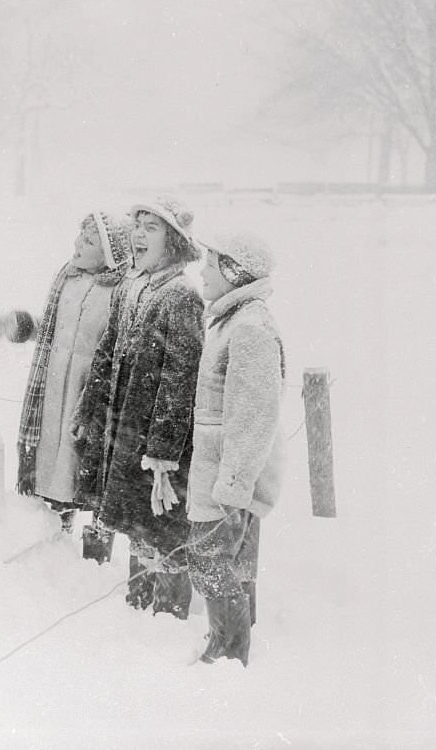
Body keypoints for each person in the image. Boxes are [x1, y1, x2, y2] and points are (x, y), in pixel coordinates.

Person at [73, 197, 204, 618]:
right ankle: (138, 607)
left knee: (161, 531)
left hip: (156, 448)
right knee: (135, 525)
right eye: (138, 225)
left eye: (152, 227)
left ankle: (166, 616)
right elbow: (107, 352)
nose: (139, 234)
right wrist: (89, 408)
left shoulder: (181, 295)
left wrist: (163, 454)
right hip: (124, 433)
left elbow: (180, 381)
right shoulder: (132, 286)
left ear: (175, 241)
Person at [0, 212, 133, 533]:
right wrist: (23, 325)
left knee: (83, 471)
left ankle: (94, 555)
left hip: (86, 396)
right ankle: (56, 542)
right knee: (52, 476)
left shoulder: (121, 293)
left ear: (111, 252)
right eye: (79, 236)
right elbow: (51, 331)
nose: (77, 244)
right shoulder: (67, 279)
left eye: (89, 241)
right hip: (53, 394)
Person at [185, 230, 284, 667]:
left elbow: (254, 418)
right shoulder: (232, 321)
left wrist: (235, 485)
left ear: (234, 272)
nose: (202, 270)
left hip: (227, 478)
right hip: (219, 473)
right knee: (228, 562)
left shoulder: (250, 329)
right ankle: (231, 649)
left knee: (209, 558)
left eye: (211, 262)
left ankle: (227, 653)